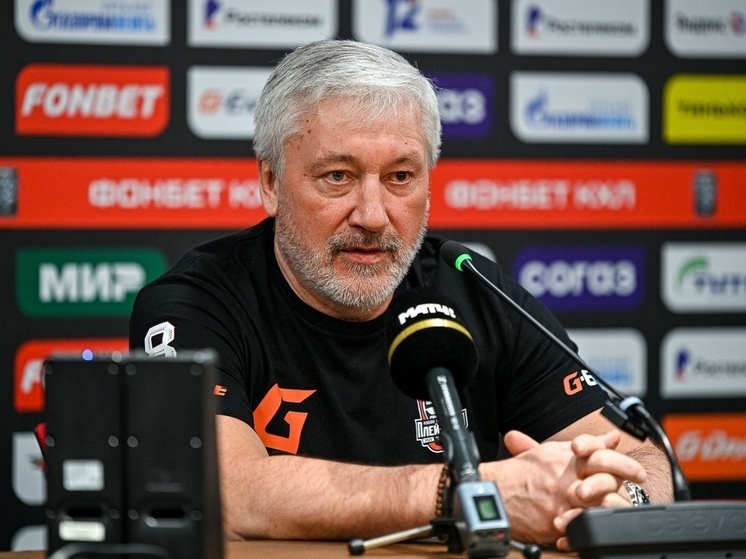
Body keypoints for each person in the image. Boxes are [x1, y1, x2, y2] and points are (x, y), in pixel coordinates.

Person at [129, 39, 672, 550]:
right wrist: (468, 494)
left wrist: (612, 502)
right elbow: (224, 491)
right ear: (270, 183)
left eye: (401, 177)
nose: (372, 216)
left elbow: (643, 457)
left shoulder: (475, 290)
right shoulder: (194, 305)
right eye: (337, 176)